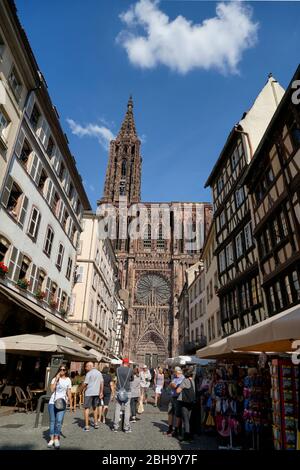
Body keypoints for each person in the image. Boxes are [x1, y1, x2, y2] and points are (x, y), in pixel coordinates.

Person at [48, 365, 72, 449]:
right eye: (60, 369)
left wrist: (71, 403)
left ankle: (56, 438)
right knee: (52, 421)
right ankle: (51, 439)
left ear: (66, 371)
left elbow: (69, 392)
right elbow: (51, 390)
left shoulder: (68, 380)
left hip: (62, 402)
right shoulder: (55, 379)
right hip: (52, 402)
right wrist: (56, 379)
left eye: (64, 369)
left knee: (59, 421)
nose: (62, 371)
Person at [113, 358, 134, 433]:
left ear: (122, 362)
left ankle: (115, 426)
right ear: (128, 363)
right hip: (127, 391)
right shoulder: (130, 370)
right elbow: (132, 379)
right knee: (127, 409)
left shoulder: (117, 369)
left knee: (117, 408)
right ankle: (126, 427)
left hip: (118, 390)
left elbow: (116, 377)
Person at [81, 362, 103, 431]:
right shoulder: (99, 373)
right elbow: (102, 382)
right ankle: (96, 423)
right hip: (96, 393)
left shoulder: (89, 373)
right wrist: (101, 392)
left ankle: (87, 426)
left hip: (89, 393)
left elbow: (85, 383)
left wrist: (80, 389)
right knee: (94, 408)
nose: (85, 368)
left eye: (86, 366)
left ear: (90, 366)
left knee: (86, 408)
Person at [176, 367, 196, 442]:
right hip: (191, 402)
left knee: (185, 420)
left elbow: (178, 391)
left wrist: (179, 386)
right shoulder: (192, 381)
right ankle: (190, 436)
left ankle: (186, 437)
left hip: (184, 402)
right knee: (189, 419)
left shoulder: (185, 380)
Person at [165, 366, 184, 437]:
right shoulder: (175, 378)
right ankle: (170, 428)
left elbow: (176, 386)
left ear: (178, 372)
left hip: (178, 398)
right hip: (172, 397)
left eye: (175, 372)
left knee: (177, 414)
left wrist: (172, 384)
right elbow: (171, 385)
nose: (174, 373)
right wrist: (172, 384)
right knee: (170, 412)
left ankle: (175, 430)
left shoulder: (182, 378)